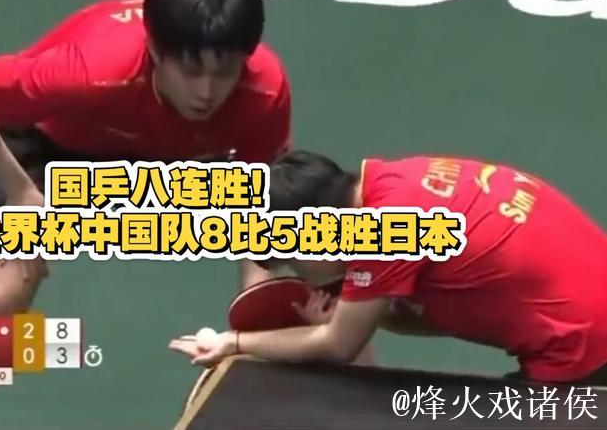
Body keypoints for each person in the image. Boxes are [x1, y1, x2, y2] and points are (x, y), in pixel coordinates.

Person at [0, 0, 292, 429]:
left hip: (174, 154)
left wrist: (252, 321)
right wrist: (20, 190)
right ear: (156, 52)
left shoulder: (262, 90)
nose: (206, 92)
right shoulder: (90, 71)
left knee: (284, 291)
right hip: (58, 143)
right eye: (191, 70)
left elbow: (259, 202)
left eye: (224, 72)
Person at [171, 151, 607, 385]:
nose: (298, 273)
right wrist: (361, 311)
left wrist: (232, 343)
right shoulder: (389, 181)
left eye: (291, 256)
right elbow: (445, 314)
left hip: (578, 341)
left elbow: (337, 346)